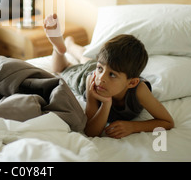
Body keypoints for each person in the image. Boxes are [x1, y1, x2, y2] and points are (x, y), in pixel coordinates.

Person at [43, 14, 174, 139]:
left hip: (100, 67)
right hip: (86, 74)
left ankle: (71, 45)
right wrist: (106, 104)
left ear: (132, 83)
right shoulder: (93, 81)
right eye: (100, 68)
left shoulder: (139, 90)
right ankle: (60, 49)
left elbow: (167, 122)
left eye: (112, 75)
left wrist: (133, 126)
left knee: (87, 61)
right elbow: (91, 131)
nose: (101, 78)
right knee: (62, 69)